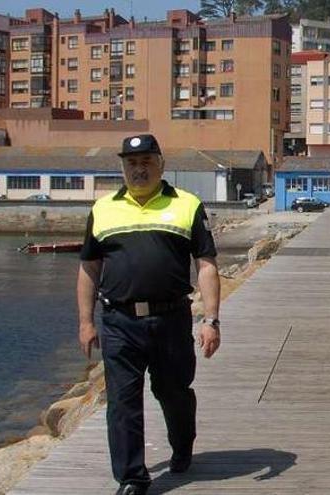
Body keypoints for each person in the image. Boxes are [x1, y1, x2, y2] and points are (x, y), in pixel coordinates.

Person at [77, 134, 221, 495]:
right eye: (131, 163)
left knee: (173, 392)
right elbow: (89, 269)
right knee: (123, 401)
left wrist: (211, 320)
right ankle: (132, 478)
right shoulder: (103, 209)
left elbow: (205, 265)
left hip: (171, 320)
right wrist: (85, 322)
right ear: (122, 167)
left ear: (160, 164)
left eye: (146, 162)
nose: (138, 169)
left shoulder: (187, 205)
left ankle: (182, 443)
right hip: (119, 322)